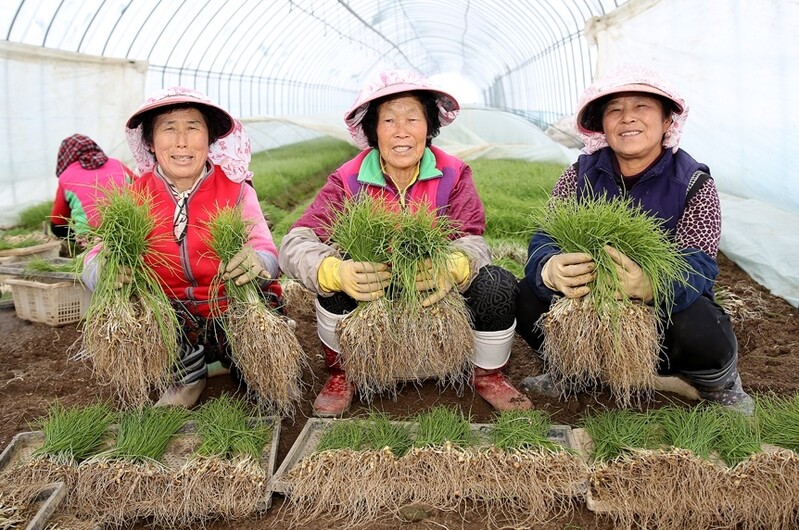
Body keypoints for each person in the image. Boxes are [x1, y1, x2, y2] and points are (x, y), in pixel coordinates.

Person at [279, 69, 531, 416]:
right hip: (374, 290)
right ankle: (343, 374)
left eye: (413, 118)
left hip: (434, 289)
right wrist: (335, 272)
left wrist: (453, 266)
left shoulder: (453, 173)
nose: (401, 130)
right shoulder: (349, 179)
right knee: (333, 281)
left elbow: (473, 239)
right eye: (388, 120)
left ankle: (488, 374)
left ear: (428, 126)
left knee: (497, 283)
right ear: (373, 130)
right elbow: (295, 242)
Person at [516, 64, 754, 414]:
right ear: (602, 125)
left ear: (668, 120)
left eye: (641, 106)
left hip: (658, 329)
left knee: (700, 323)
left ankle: (716, 383)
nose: (627, 117)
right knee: (525, 294)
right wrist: (548, 268)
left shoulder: (694, 183)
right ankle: (574, 371)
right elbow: (545, 236)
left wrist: (650, 285)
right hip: (590, 308)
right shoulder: (579, 175)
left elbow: (700, 266)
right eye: (615, 110)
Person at [82, 87, 280, 408]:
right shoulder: (134, 198)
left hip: (228, 307)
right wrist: (102, 270)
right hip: (171, 320)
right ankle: (188, 377)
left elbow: (265, 249)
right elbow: (97, 253)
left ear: (210, 138)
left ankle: (226, 361)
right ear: (150, 142)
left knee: (257, 373)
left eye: (193, 127)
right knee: (145, 318)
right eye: (169, 129)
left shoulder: (236, 190)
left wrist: (257, 261)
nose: (182, 142)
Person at [50, 134, 135, 248]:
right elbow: (145, 187)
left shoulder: (65, 176)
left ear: (64, 155)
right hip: (130, 229)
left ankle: (89, 245)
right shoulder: (116, 164)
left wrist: (78, 235)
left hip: (91, 237)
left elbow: (57, 225)